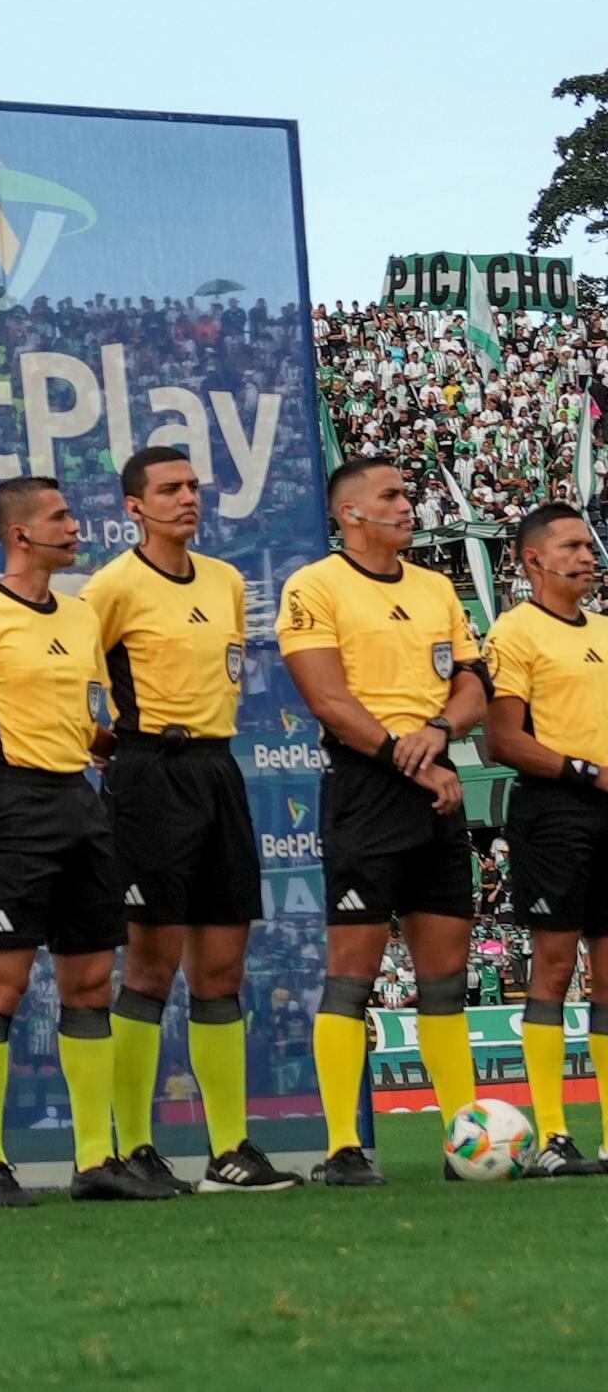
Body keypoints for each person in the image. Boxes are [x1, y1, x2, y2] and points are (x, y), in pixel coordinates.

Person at [0, 476, 146, 1207]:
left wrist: (116, 743)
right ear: (20, 534)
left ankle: (96, 1158)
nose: (76, 526)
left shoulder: (80, 618)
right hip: (8, 804)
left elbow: (79, 717)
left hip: (79, 803)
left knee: (88, 984)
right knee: (2, 986)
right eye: (60, 516)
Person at [81, 441, 295, 1192]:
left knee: (222, 966)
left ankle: (230, 1147)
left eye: (193, 487)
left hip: (217, 769)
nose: (188, 499)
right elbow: (69, 684)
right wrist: (116, 748)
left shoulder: (229, 581)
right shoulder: (111, 586)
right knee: (149, 965)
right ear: (134, 507)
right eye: (170, 489)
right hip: (150, 775)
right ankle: (134, 1145)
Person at [278, 455, 486, 1186]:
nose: (408, 504)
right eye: (392, 495)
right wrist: (411, 752)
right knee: (352, 974)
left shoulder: (434, 587)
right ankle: (342, 1146)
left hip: (435, 783)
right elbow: (328, 699)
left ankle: (464, 1142)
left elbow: (472, 684)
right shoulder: (314, 586)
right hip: (369, 785)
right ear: (351, 514)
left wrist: (438, 729)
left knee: (445, 976)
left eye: (408, 492)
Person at [480, 499, 608, 1176]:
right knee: (554, 968)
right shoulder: (514, 632)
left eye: (589, 545)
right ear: (534, 560)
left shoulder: (606, 631)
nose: (587, 555)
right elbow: (502, 740)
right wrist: (589, 770)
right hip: (557, 810)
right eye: (571, 546)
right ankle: (555, 1137)